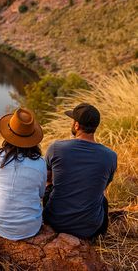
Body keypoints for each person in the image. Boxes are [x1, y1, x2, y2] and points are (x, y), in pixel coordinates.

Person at [43, 103, 117, 240]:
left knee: (49, 187)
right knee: (102, 198)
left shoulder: (56, 148)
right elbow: (103, 186)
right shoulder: (111, 156)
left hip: (55, 223)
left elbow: (45, 179)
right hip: (90, 228)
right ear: (95, 127)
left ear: (76, 125)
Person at [0, 108, 47, 241]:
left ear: (9, 134)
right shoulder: (40, 163)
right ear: (32, 137)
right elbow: (41, 193)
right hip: (31, 228)